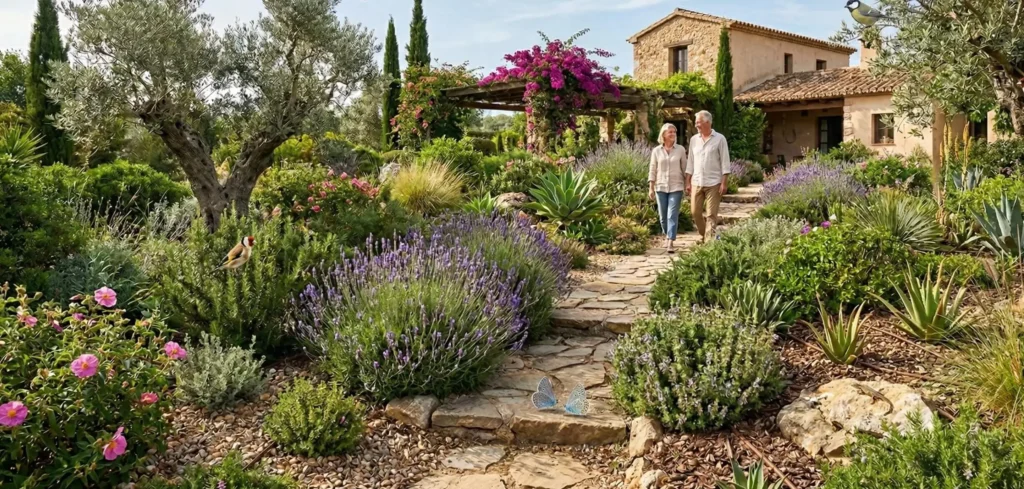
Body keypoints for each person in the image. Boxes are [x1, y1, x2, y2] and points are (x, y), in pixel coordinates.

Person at [686, 110, 730, 242]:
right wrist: (687, 181)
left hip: (714, 182)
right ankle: (704, 234)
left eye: (698, 122)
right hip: (697, 182)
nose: (696, 125)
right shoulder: (694, 140)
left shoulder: (720, 139)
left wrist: (724, 182)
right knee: (695, 212)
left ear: (707, 122)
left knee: (711, 215)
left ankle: (709, 242)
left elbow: (725, 162)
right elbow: (690, 162)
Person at [648, 123, 687, 253]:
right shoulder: (656, 151)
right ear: (663, 134)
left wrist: (688, 184)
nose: (673, 134)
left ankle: (670, 240)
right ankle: (667, 234)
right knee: (663, 217)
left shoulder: (680, 150)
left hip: (676, 186)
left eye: (674, 132)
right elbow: (653, 169)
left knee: (672, 214)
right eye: (670, 132)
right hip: (660, 186)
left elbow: (685, 168)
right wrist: (651, 187)